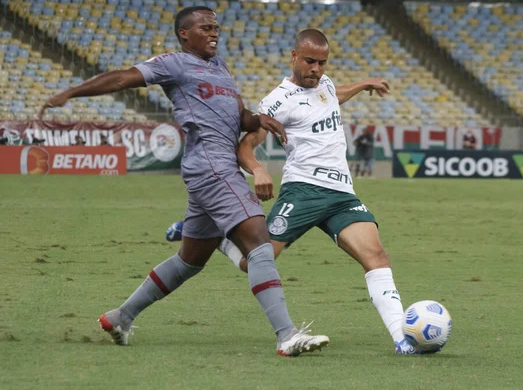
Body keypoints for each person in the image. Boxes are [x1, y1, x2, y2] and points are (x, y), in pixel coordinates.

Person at [39, 6, 329, 356]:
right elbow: (120, 78)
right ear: (184, 34)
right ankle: (287, 335)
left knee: (189, 260)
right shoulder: (173, 63)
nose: (213, 34)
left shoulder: (219, 68)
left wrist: (259, 120)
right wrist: (71, 93)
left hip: (212, 167)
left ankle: (120, 316)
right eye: (205, 28)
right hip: (211, 164)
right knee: (258, 241)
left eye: (215, 28)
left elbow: (239, 116)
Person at [166, 29, 426, 355]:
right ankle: (215, 238)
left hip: (342, 194)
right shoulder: (277, 101)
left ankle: (402, 338)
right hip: (302, 190)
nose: (316, 69)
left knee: (376, 257)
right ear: (294, 57)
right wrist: (259, 169)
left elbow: (332, 96)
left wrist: (363, 85)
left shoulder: (326, 84)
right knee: (256, 260)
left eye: (322, 62)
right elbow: (245, 147)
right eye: (310, 61)